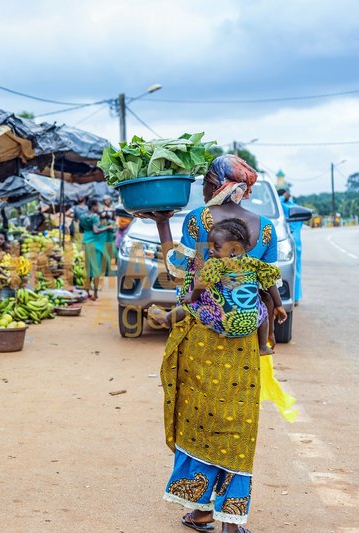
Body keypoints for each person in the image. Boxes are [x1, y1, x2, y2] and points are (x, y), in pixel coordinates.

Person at [139, 154, 280, 533]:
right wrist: (267, 335)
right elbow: (267, 288)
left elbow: (182, 279)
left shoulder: (199, 221)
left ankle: (201, 509)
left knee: (200, 419)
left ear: (213, 184)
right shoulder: (265, 230)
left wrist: (164, 225)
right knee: (238, 424)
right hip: (244, 346)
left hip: (202, 338)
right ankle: (229, 518)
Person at [149, 218, 286, 355]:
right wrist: (279, 306)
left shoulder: (216, 264)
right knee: (262, 312)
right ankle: (262, 346)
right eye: (210, 246)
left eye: (217, 247)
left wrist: (192, 297)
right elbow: (270, 284)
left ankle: (167, 319)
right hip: (249, 324)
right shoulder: (255, 264)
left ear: (233, 250)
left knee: (189, 308)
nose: (211, 251)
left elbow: (202, 283)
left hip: (222, 322)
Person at [78, 199, 113, 300]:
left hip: (86, 243)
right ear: (93, 206)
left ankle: (86, 292)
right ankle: (95, 294)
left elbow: (81, 230)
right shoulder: (95, 217)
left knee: (88, 268)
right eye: (98, 206)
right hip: (95, 245)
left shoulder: (82, 217)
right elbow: (96, 230)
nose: (99, 208)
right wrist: (107, 228)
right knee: (96, 269)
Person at [278, 186, 303, 305]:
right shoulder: (295, 207)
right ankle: (296, 297)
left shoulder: (285, 207)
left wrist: (283, 197)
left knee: (293, 271)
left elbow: (278, 202)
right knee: (297, 270)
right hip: (297, 242)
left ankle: (295, 297)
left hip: (291, 241)